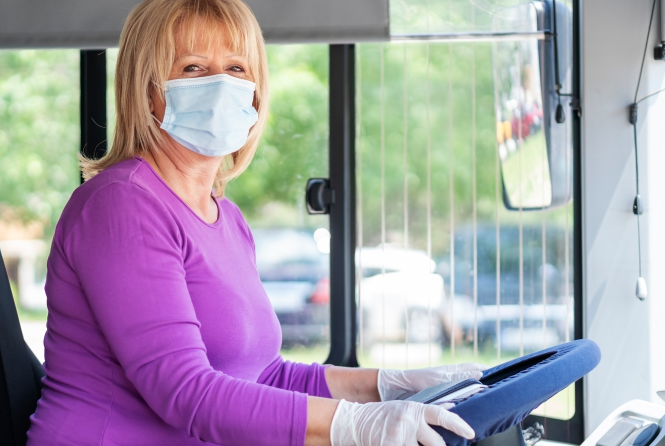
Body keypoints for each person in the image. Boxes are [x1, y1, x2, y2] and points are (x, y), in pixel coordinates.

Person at [26, 0, 484, 445]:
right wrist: (355, 426)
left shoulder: (228, 218)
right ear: (148, 92)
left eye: (237, 69)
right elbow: (184, 392)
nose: (221, 84)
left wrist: (388, 386)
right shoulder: (120, 204)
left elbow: (264, 374)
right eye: (192, 68)